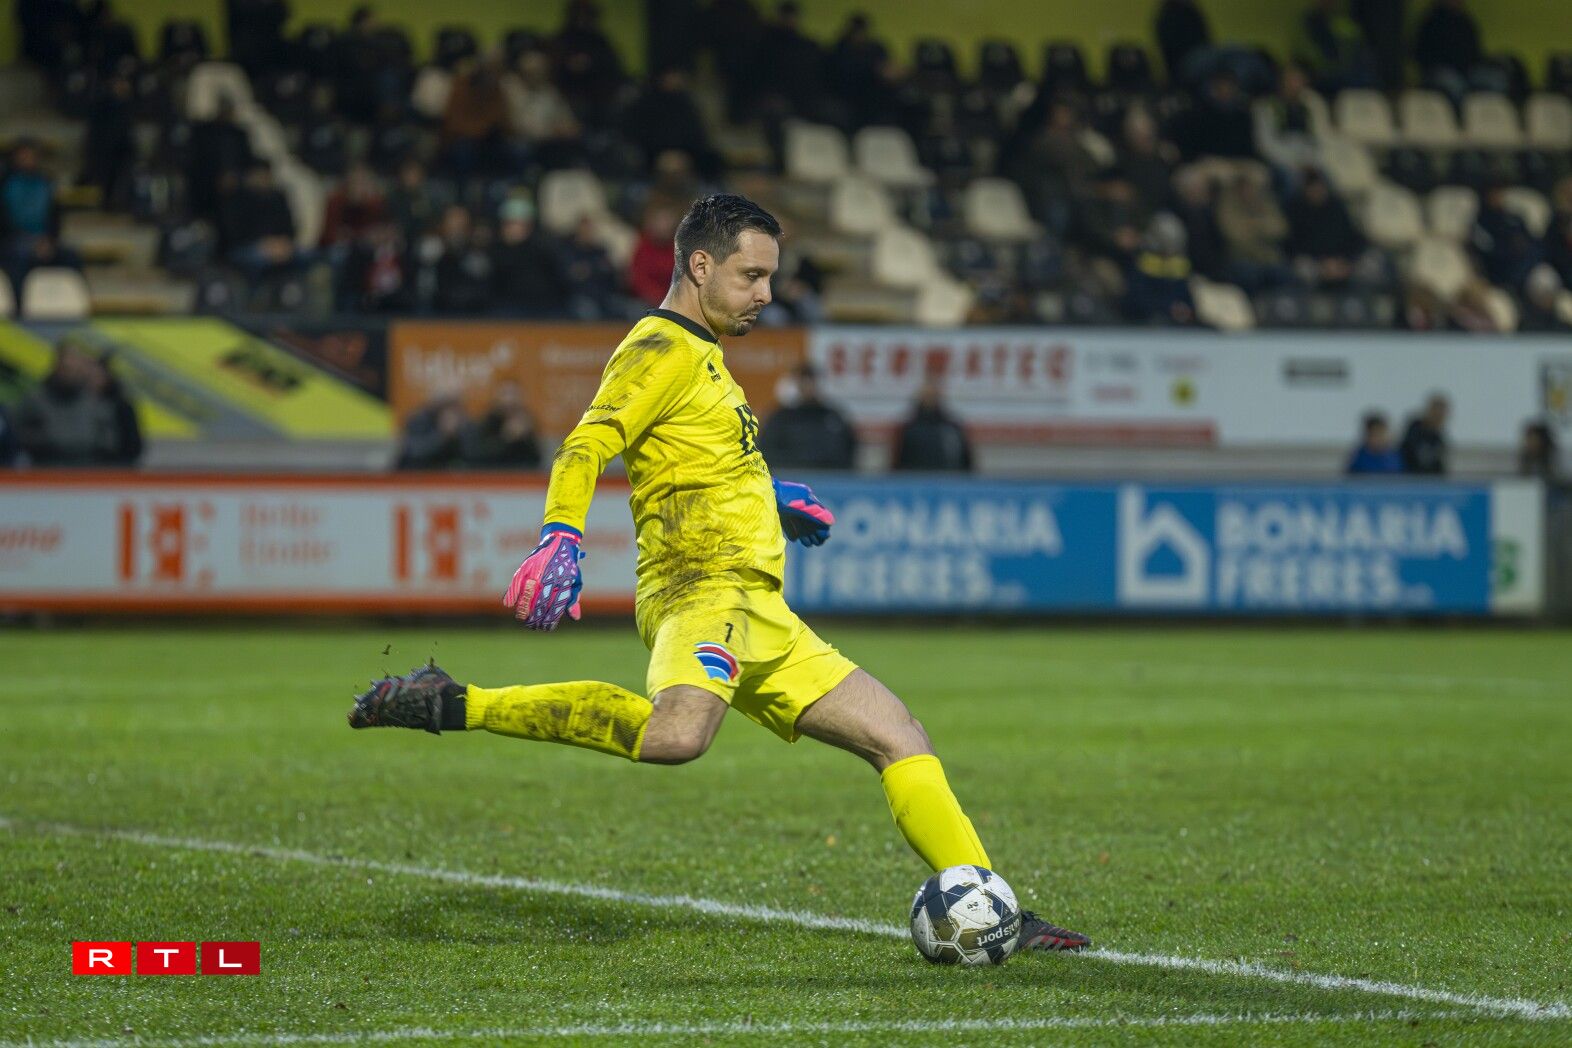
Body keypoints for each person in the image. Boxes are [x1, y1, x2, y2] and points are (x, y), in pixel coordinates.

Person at [347, 193, 1091, 955]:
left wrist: (769, 497)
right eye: (751, 276)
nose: (766, 294)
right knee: (676, 736)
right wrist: (560, 533)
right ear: (700, 266)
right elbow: (586, 443)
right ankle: (454, 703)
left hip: (759, 606)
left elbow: (701, 458)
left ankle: (989, 902)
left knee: (899, 736)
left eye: (770, 277)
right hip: (701, 590)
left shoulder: (704, 357)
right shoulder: (659, 347)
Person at [13, 344, 142, 467]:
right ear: (57, 366)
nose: (70, 371)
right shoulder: (34, 401)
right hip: (45, 472)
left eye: (74, 366)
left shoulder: (96, 402)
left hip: (87, 472)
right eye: (66, 367)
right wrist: (48, 440)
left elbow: (110, 440)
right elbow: (17, 435)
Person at [759, 364, 858, 470]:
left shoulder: (833, 418)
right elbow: (768, 451)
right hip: (790, 475)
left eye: (812, 382)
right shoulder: (780, 418)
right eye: (803, 382)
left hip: (829, 476)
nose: (808, 388)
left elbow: (848, 451)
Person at [490, 197, 568, 317]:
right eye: (507, 224)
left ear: (529, 225)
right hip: (508, 308)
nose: (511, 228)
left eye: (516, 223)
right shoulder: (496, 249)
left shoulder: (543, 247)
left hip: (544, 307)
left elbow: (559, 279)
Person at [891, 380, 973, 472]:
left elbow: (966, 465)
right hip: (916, 478)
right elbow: (898, 466)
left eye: (932, 395)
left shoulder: (952, 429)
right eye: (927, 395)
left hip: (946, 478)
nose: (930, 399)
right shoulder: (907, 430)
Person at [465, 379, 543, 469]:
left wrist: (526, 438)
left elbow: (536, 459)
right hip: (493, 472)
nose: (509, 400)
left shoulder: (527, 422)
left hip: (521, 472)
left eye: (513, 395)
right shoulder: (488, 422)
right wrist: (506, 438)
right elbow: (478, 455)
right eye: (505, 394)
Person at [395, 390, 470, 469]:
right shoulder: (418, 420)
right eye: (446, 405)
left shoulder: (462, 422)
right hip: (416, 471)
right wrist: (442, 435)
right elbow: (413, 450)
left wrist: (459, 433)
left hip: (444, 471)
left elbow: (469, 454)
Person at [628, 204, 679, 307]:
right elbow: (638, 278)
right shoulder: (643, 246)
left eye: (667, 221)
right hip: (645, 301)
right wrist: (656, 297)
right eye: (661, 221)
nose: (664, 226)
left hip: (674, 300)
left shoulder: (679, 247)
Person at [1400, 394, 1450, 474]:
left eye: (1441, 415)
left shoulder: (1439, 439)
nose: (1438, 417)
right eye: (1436, 414)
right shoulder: (1414, 430)